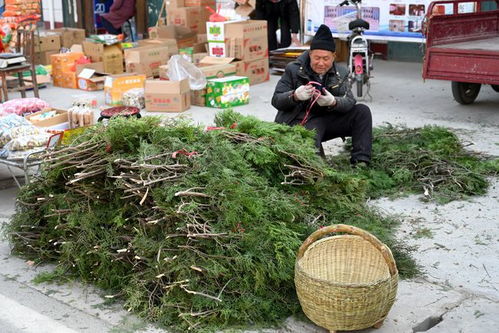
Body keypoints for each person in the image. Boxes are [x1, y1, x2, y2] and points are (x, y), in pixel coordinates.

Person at [271, 24, 372, 166]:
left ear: (333, 57)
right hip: (301, 122)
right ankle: (316, 166)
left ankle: (361, 161)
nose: (321, 63)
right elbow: (276, 100)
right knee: (314, 160)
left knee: (362, 111)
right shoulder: (293, 69)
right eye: (317, 58)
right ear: (310, 54)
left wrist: (333, 102)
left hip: (328, 119)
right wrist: (294, 96)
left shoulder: (340, 72)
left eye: (326, 59)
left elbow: (349, 101)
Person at [235, 0, 300, 51]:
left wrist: (294, 34)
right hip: (268, 11)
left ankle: (284, 51)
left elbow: (294, 15)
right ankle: (272, 52)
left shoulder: (291, 1)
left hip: (285, 11)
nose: (274, 1)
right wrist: (259, 31)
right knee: (269, 32)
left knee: (285, 32)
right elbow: (259, 14)